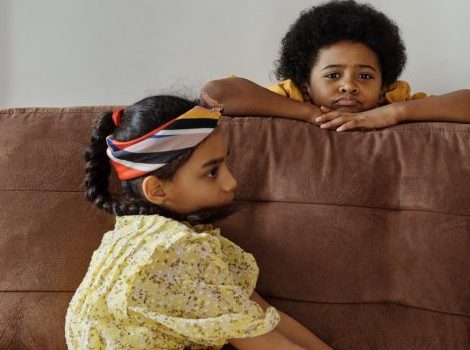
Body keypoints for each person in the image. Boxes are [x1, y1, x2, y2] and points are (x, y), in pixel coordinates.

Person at [65, 95, 332, 350]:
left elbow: (264, 316)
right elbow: (267, 344)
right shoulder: (177, 250)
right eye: (212, 172)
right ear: (157, 190)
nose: (232, 182)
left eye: (226, 163)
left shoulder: (131, 234)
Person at [201, 0, 470, 132]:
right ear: (306, 83)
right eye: (333, 75)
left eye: (364, 75)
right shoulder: (293, 96)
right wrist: (309, 114)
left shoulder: (392, 100)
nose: (349, 84)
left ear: (384, 86)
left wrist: (392, 113)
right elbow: (217, 93)